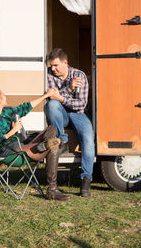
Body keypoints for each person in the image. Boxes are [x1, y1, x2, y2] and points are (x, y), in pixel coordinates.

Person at [0, 87, 71, 201]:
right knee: (54, 148)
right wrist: (14, 130)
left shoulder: (7, 111)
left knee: (52, 128)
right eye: (3, 95)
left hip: (21, 145)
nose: (6, 96)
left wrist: (45, 96)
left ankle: (44, 145)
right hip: (8, 150)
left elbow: (25, 107)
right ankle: (52, 190)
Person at [45, 48, 95, 197]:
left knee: (88, 138)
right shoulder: (48, 74)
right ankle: (63, 140)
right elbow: (52, 98)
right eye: (51, 65)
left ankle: (86, 179)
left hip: (79, 114)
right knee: (51, 105)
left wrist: (62, 97)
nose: (52, 69)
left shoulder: (79, 75)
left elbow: (81, 104)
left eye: (55, 65)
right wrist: (69, 88)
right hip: (61, 113)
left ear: (65, 63)